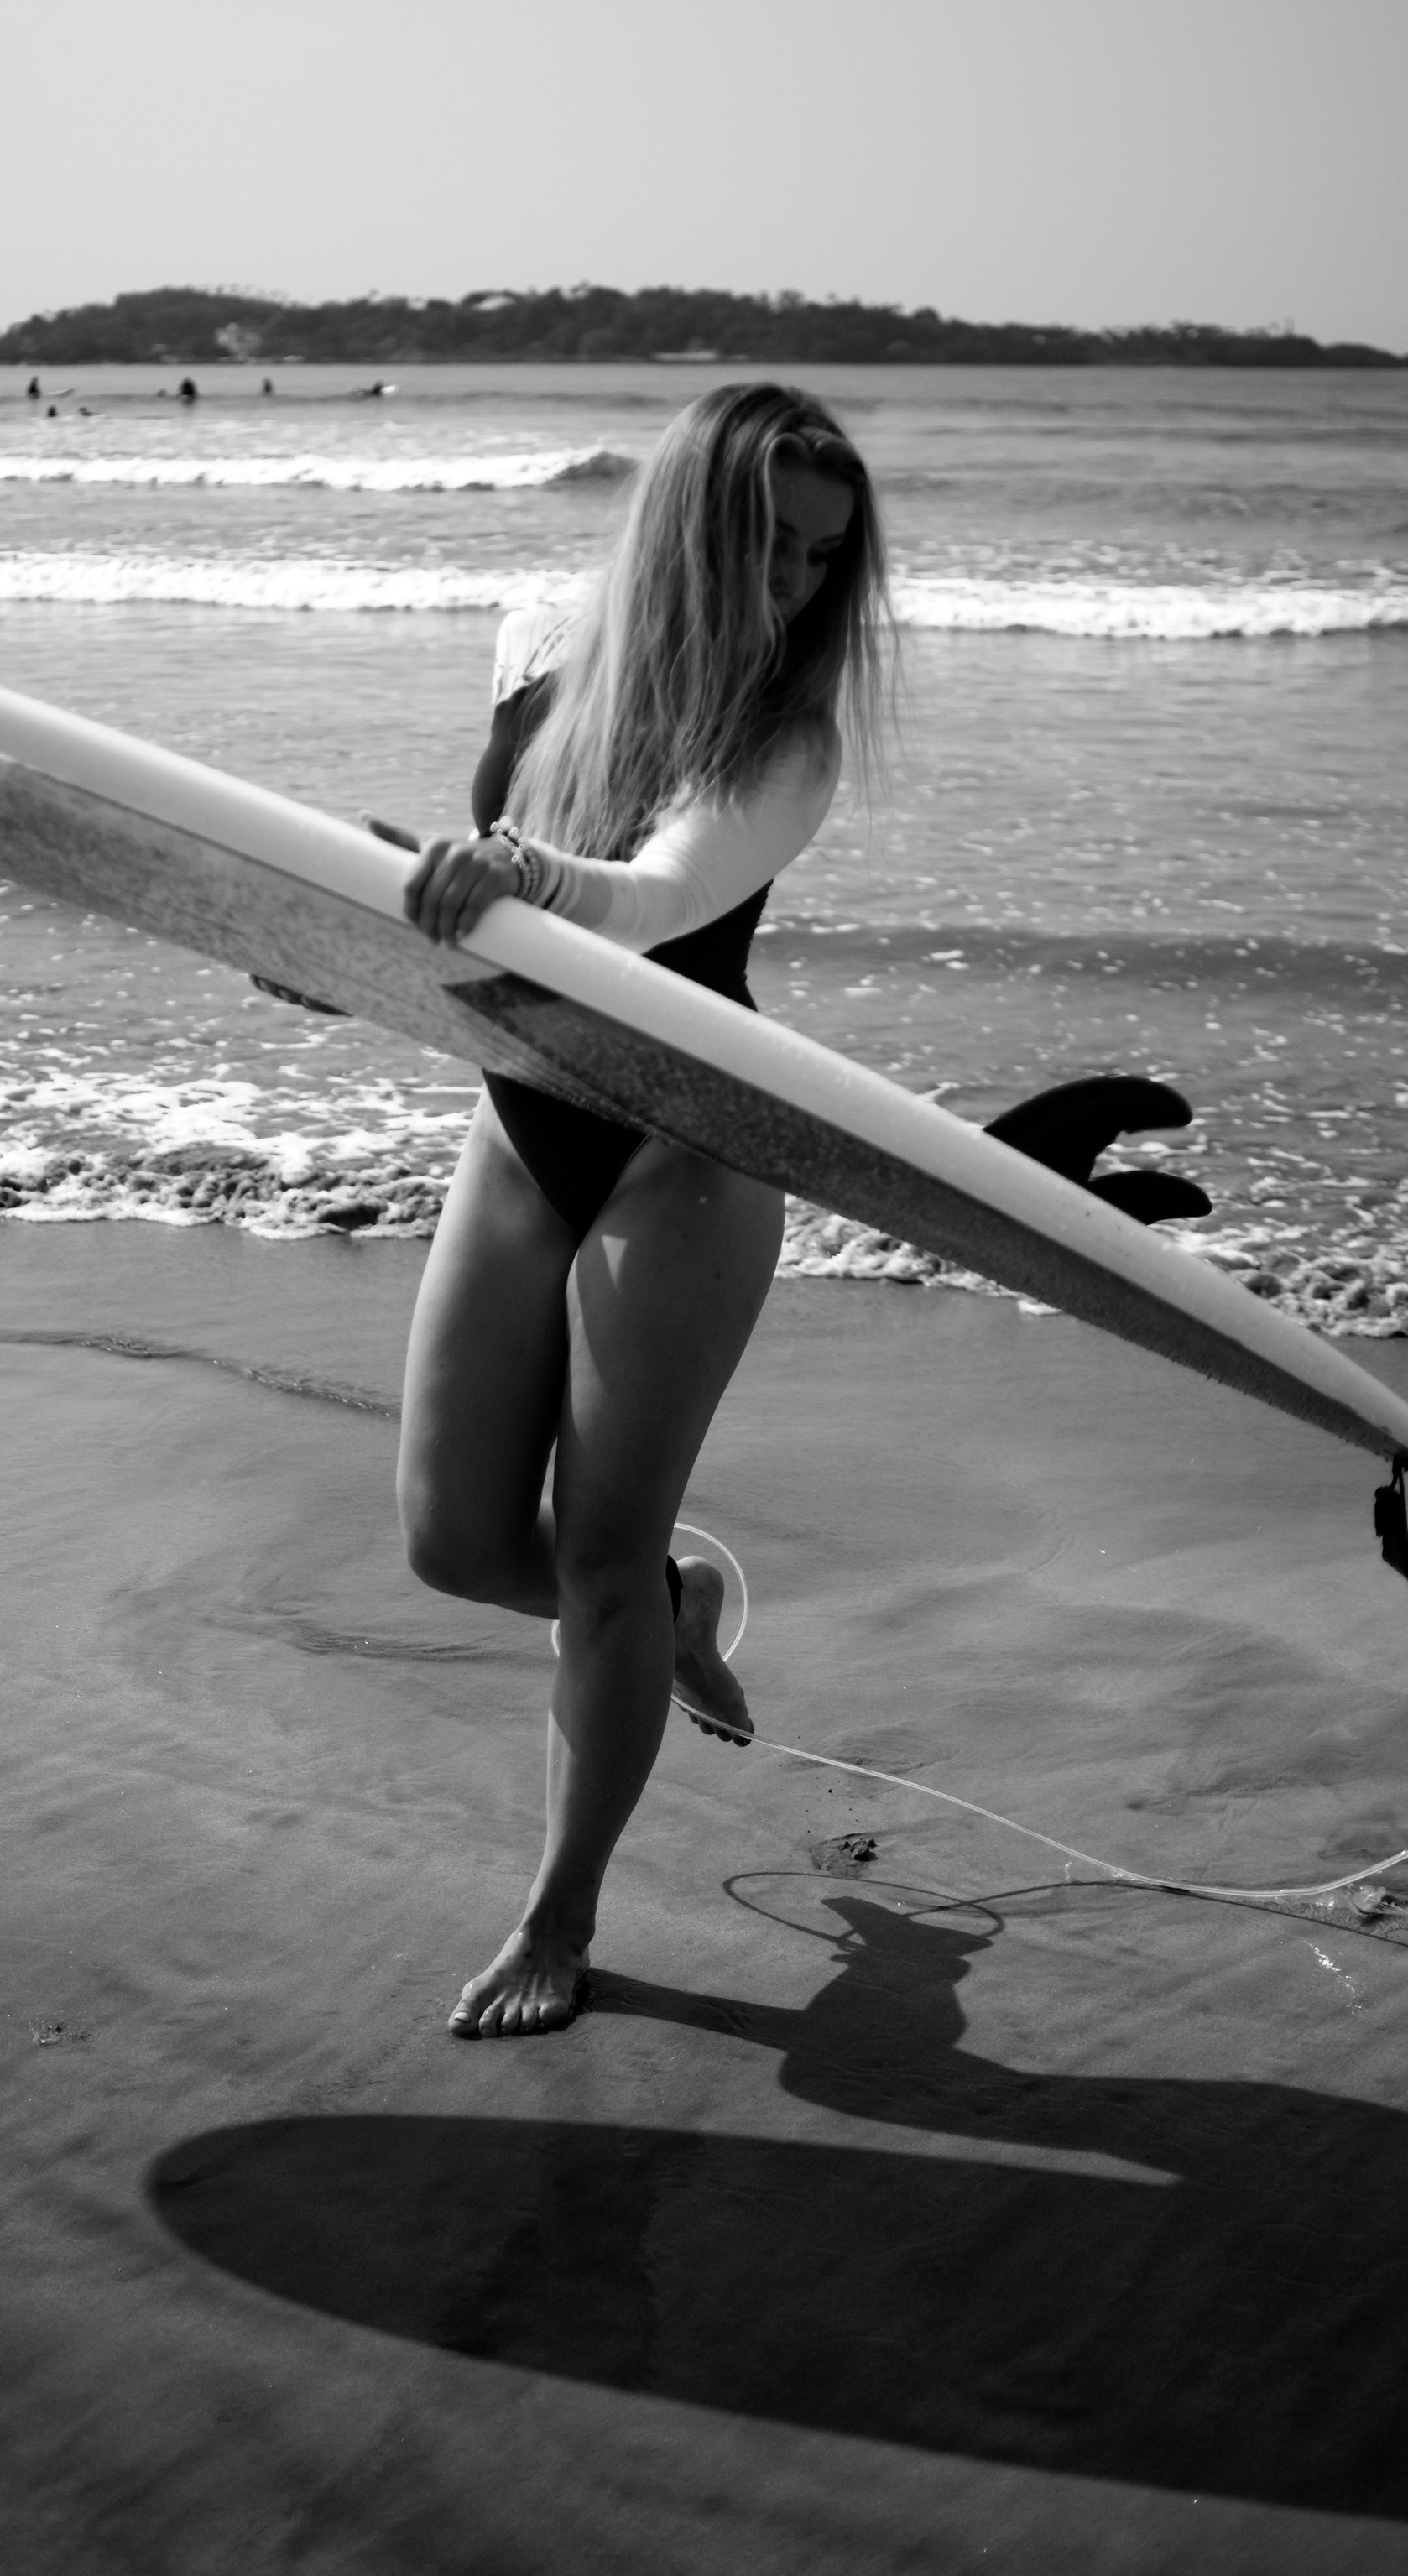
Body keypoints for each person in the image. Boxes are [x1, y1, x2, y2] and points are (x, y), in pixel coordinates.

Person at [396, 383, 889, 2038]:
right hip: (521, 1115)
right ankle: (667, 1608)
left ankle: (557, 1915)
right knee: (455, 1543)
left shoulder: (788, 739)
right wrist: (351, 940)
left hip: (683, 1149)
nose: (795, 589)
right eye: (769, 546)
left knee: (592, 1557)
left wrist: (522, 879)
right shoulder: (540, 638)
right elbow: (469, 892)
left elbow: (656, 894)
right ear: (689, 521)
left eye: (824, 562)